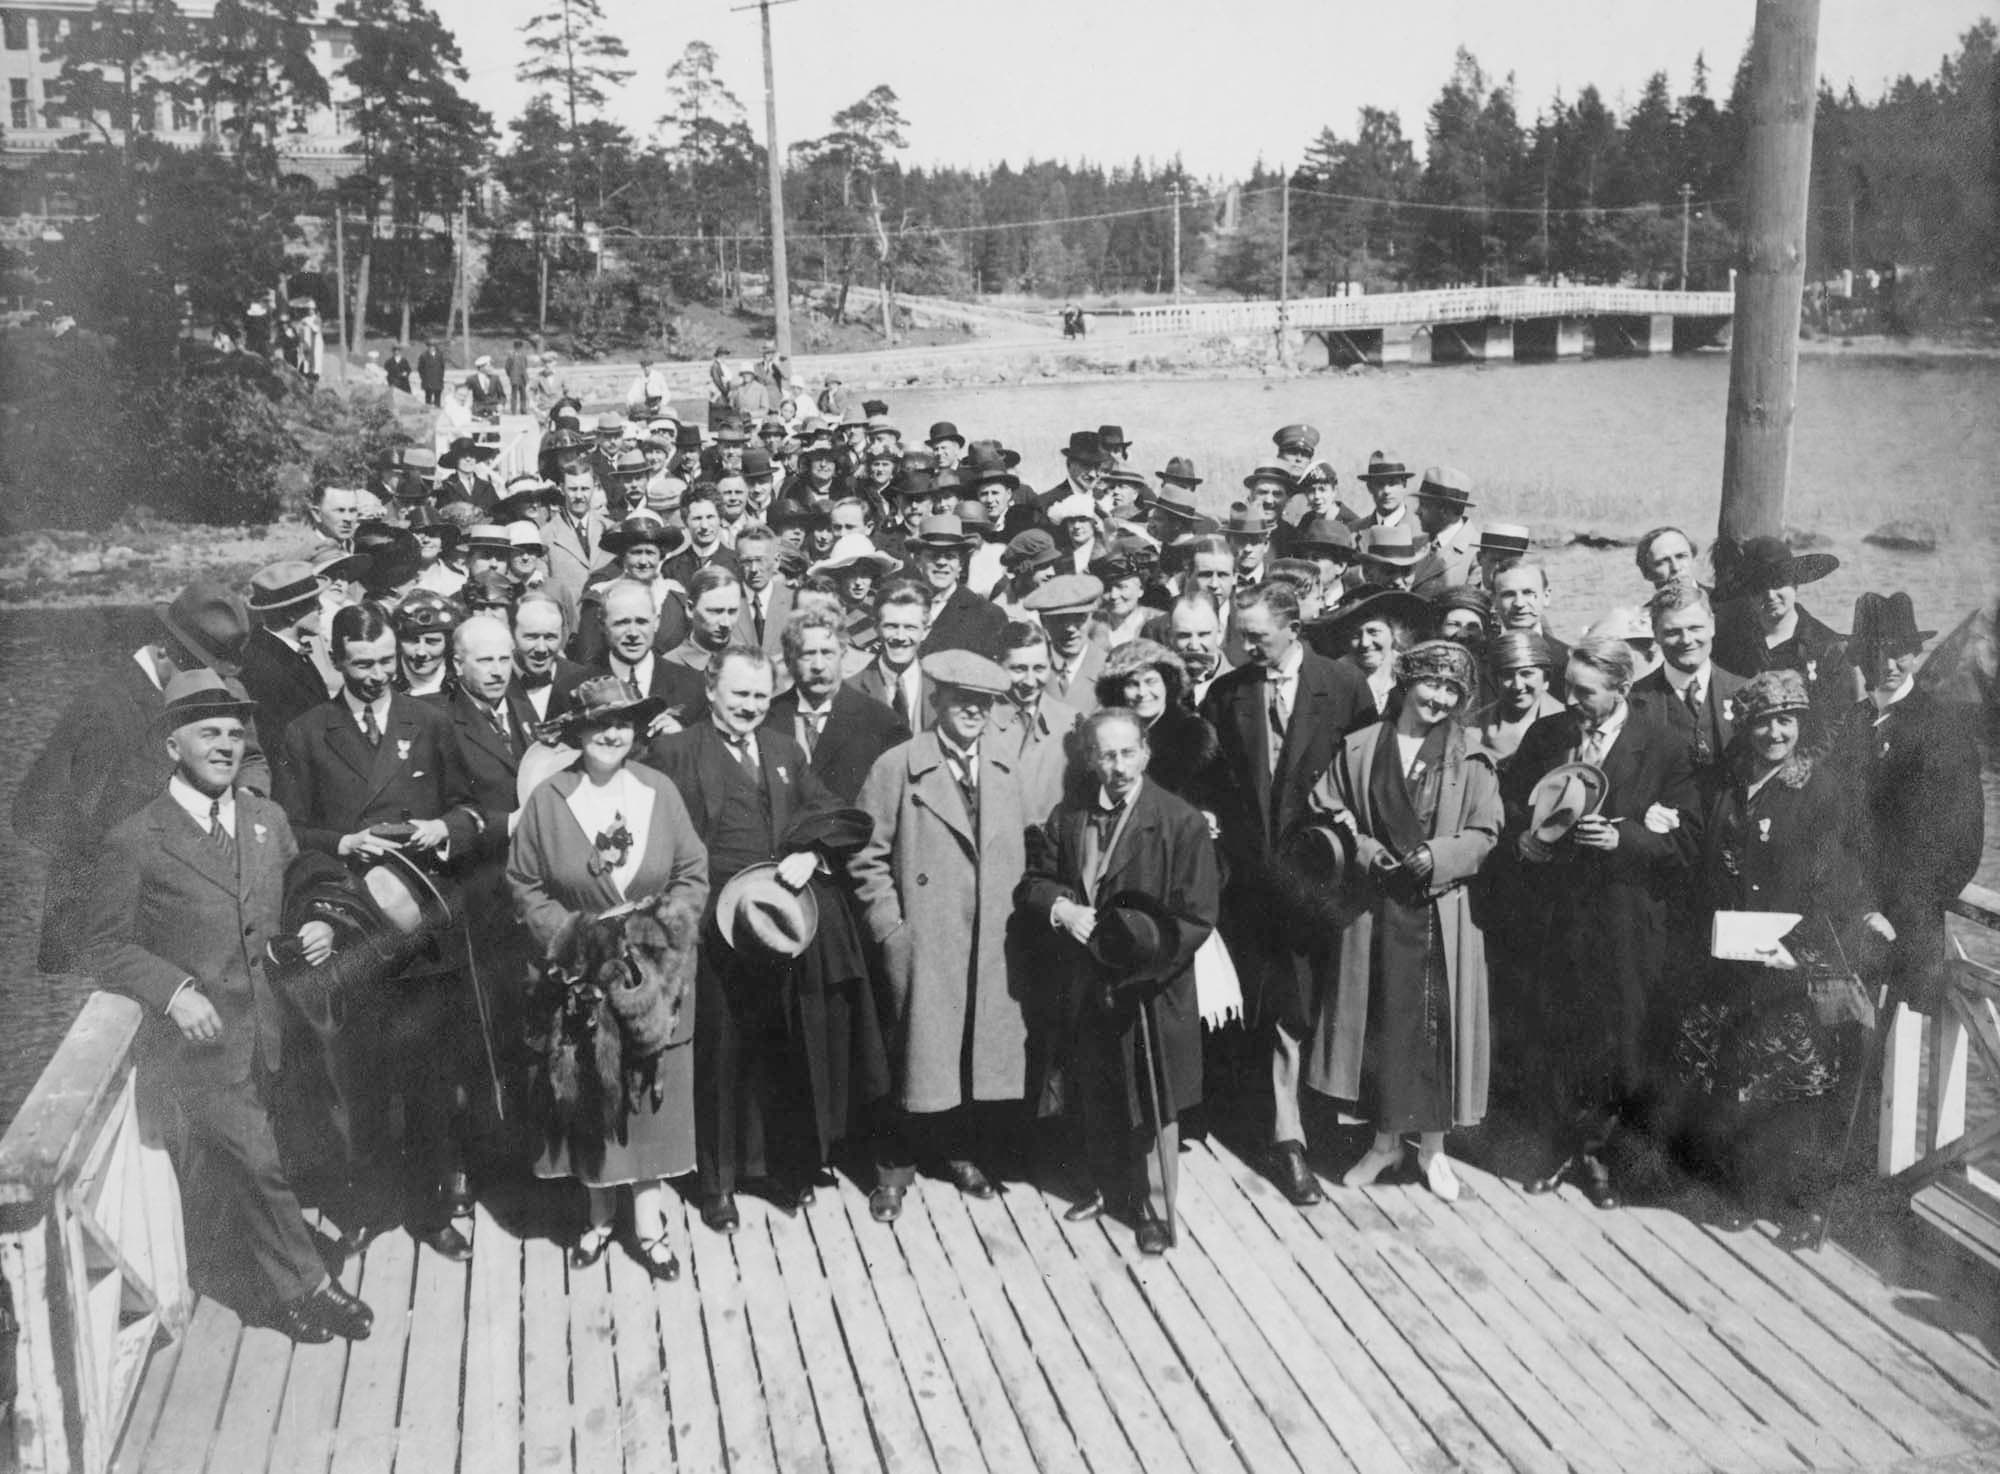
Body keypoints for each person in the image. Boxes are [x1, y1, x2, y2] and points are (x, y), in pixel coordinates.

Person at [83, 671, 373, 1343]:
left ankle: (275, 1272)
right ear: (170, 744)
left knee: (267, 1156)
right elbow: (101, 947)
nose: (225, 746)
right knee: (256, 1161)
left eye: (235, 733)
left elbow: (301, 886)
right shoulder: (135, 840)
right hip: (204, 1042)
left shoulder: (265, 819)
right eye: (208, 733)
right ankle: (310, 1288)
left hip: (277, 1026)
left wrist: (317, 921)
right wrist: (173, 991)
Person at [272, 601, 482, 1258]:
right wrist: (344, 840)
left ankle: (428, 1209)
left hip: (422, 926)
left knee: (426, 1079)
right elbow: (287, 829)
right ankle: (362, 1203)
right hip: (350, 926)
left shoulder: (433, 721)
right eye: (362, 664)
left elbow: (472, 806)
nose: (376, 675)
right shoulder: (307, 733)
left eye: (386, 662)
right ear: (337, 660)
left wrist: (446, 828)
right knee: (356, 1079)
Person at [644, 647, 874, 1233]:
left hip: (771, 925)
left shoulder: (783, 750)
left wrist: (809, 849)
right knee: (719, 1054)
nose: (749, 706)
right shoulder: (675, 751)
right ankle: (716, 1183)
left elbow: (838, 814)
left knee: (778, 1049)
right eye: (738, 693)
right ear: (712, 690)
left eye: (758, 695)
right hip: (707, 928)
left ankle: (774, 1168)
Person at [1662, 670, 1890, 1231]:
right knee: (1734, 1071)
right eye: (1763, 722)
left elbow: (1838, 871)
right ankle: (1740, 1191)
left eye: (1785, 721)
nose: (1774, 734)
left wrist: (1826, 931)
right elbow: (1697, 852)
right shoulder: (1724, 784)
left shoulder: (1819, 788)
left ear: (1800, 724)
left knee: (1799, 1080)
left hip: (1794, 954)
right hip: (1730, 953)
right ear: (1747, 728)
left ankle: (1802, 1203)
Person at [508, 676, 708, 1278]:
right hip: (581, 972)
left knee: (649, 1093)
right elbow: (524, 885)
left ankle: (648, 1226)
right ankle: (597, 1218)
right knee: (592, 1089)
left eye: (623, 722)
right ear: (577, 731)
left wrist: (655, 943)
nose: (612, 733)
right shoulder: (550, 799)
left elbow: (692, 872)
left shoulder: (658, 790)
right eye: (599, 723)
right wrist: (579, 943)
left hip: (653, 971)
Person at [1503, 635, 1700, 1210]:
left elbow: (1688, 840)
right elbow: (1516, 804)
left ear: (1623, 689)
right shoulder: (1548, 735)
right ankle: (1560, 1146)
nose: (1572, 700)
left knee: (1622, 1038)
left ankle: (1602, 1157)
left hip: (1623, 921)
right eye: (1569, 688)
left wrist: (1624, 839)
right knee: (1557, 1031)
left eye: (1585, 692)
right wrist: (1525, 837)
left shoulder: (1665, 747)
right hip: (1557, 917)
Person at [1302, 640, 1500, 1202]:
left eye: (1451, 690)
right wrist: (1366, 850)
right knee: (1382, 1025)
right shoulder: (1362, 748)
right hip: (1375, 907)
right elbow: (1327, 810)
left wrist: (1439, 855)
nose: (1438, 698)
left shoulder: (1472, 755)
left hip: (1440, 910)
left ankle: (1434, 1150)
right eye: (1429, 684)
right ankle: (1385, 1144)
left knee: (1437, 1029)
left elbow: (1486, 833)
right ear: (1406, 681)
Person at [1020, 708, 1219, 1253]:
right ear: (1090, 759)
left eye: (1128, 752)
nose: (1118, 766)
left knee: (1152, 1101)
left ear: (1146, 753)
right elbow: (1035, 881)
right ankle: (1106, 1187)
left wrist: (1141, 960)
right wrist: (1062, 909)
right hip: (1087, 987)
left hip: (1149, 991)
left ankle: (1152, 1207)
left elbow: (1197, 917)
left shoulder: (1179, 822)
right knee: (1096, 1089)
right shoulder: (1071, 815)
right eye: (1106, 755)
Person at [1199, 582, 1370, 1207]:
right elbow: (1212, 780)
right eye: (1240, 636)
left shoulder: (1344, 686)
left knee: (1305, 1006)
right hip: (1249, 884)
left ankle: (1307, 1125)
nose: (1245, 647)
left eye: (1257, 636)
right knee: (1273, 1009)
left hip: (1319, 879)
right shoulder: (1228, 692)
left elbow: (1367, 772)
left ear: (1293, 627)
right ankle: (1286, 1139)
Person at [852, 650, 1032, 1223]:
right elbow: (865, 857)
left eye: (984, 703)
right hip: (925, 941)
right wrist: (891, 930)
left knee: (967, 1055)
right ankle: (892, 1171)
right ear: (936, 702)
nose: (973, 712)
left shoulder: (1005, 766)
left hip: (988, 943)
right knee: (912, 1059)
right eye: (962, 701)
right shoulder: (898, 767)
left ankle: (960, 1153)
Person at [16, 581, 270, 974]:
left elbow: (251, 757)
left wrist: (249, 798)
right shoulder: (103, 709)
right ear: (165, 647)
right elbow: (35, 811)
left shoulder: (219, 685)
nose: (211, 688)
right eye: (198, 667)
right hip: (105, 927)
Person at [1835, 591, 1983, 1017]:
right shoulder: (1852, 724)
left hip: (1907, 934)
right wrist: (1854, 906)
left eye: (1900, 652)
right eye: (1876, 652)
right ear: (1860, 659)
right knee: (1845, 1064)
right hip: (1850, 925)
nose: (1888, 665)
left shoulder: (1942, 730)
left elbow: (1959, 846)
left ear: (1917, 655)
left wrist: (1896, 915)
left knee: (1897, 1063)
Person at [766, 606, 909, 801]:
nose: (818, 666)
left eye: (827, 653)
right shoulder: (766, 719)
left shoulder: (881, 723)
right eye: (807, 654)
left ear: (843, 655)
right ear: (789, 660)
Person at [1711, 536, 1849, 715]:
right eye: (1759, 587)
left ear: (1795, 584)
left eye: (1778, 583)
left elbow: (1836, 723)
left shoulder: (1828, 647)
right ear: (1748, 594)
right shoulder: (1729, 643)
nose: (1770, 595)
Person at [1633, 583, 1744, 797]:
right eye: (1673, 632)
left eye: (1695, 628)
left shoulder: (1745, 691)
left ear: (1712, 625)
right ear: (1655, 634)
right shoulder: (1634, 701)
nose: (1686, 640)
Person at [239, 561, 333, 754]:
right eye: (315, 603)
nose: (321, 609)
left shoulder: (282, 651)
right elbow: (279, 741)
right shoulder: (263, 666)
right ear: (291, 614)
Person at [988, 620, 1082, 813]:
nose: (1030, 682)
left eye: (1039, 668)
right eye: (1019, 669)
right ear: (998, 665)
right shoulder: (979, 722)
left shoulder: (1071, 722)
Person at [849, 580, 935, 731]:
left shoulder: (942, 688)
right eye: (891, 626)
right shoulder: (850, 690)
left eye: (910, 627)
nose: (900, 637)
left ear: (926, 631)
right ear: (876, 628)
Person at [1023, 573, 1107, 711]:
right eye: (1059, 619)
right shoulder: (1026, 668)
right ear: (1043, 622)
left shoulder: (1110, 669)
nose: (1070, 628)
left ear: (1091, 617)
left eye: (1080, 618)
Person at [1409, 467, 1479, 597]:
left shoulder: (1477, 554)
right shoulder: (1413, 545)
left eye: (1424, 505)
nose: (1417, 512)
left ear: (1445, 511)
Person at [504, 340, 532, 416]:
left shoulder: (523, 355)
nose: (519, 349)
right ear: (515, 347)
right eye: (518, 347)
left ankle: (523, 410)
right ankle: (513, 410)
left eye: (519, 347)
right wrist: (510, 375)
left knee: (523, 394)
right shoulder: (511, 356)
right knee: (514, 395)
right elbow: (507, 367)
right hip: (515, 378)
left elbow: (525, 366)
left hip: (522, 378)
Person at [417, 340, 446, 407]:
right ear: (428, 347)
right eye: (430, 346)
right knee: (428, 398)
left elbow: (442, 367)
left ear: (435, 347)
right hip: (428, 381)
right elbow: (420, 369)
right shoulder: (423, 356)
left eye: (433, 346)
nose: (432, 348)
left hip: (437, 380)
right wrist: (424, 378)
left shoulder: (439, 355)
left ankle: (437, 411)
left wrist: (440, 377)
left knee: (437, 399)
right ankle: (428, 413)